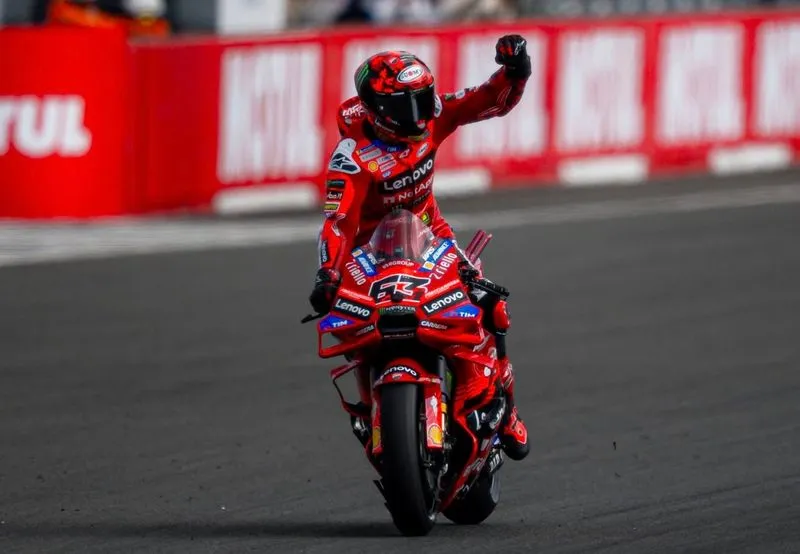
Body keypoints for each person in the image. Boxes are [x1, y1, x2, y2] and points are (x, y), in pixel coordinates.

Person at [309, 35, 531, 461]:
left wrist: (516, 71)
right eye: (407, 105)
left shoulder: (434, 116)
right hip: (368, 256)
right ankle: (369, 408)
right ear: (377, 111)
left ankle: (505, 408)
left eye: (424, 98)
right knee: (348, 322)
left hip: (431, 238)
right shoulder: (351, 156)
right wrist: (328, 274)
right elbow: (338, 222)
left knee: (488, 304)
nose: (421, 113)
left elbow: (489, 99)